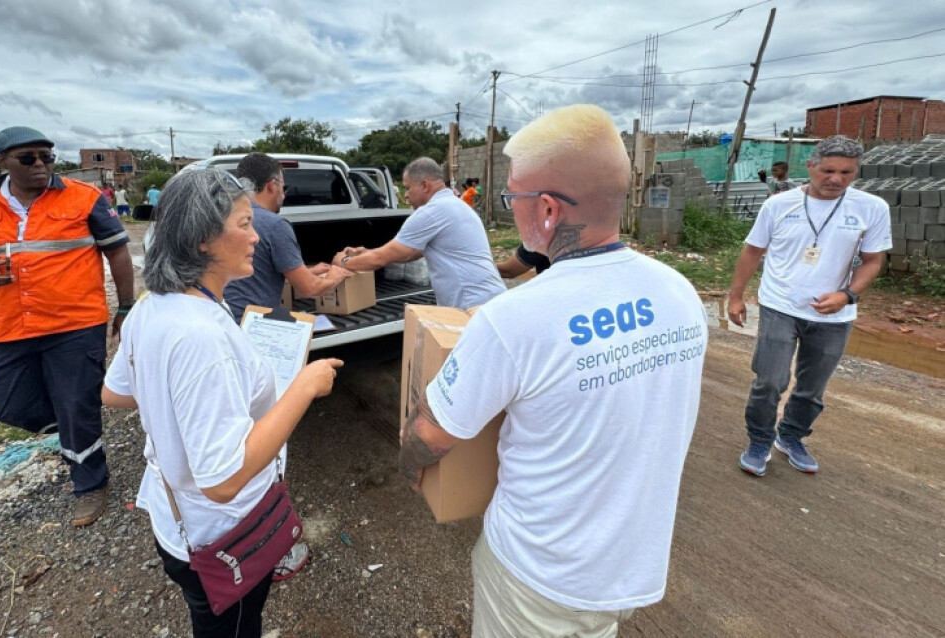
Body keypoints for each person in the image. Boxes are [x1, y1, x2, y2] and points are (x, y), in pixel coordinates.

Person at [399, 104, 708, 637]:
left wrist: (409, 465)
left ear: (545, 209)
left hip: (538, 576)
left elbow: (433, 433)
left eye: (511, 198)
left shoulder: (513, 319)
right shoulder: (679, 293)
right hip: (629, 569)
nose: (509, 209)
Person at [101, 167, 342, 637]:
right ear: (201, 240)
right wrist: (305, 386)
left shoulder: (153, 305)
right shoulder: (200, 337)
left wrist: (184, 402)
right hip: (221, 532)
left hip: (175, 521)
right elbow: (225, 480)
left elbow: (115, 393)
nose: (255, 236)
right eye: (244, 223)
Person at [0, 126, 135, 527]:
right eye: (28, 159)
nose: (41, 165)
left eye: (47, 157)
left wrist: (127, 307)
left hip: (75, 323)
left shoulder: (83, 198)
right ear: (2, 162)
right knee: (4, 398)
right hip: (9, 325)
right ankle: (67, 432)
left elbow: (118, 253)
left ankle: (89, 483)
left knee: (78, 404)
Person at [730, 136, 891, 476]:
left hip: (834, 314)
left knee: (812, 388)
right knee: (770, 381)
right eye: (828, 170)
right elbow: (752, 251)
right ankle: (759, 440)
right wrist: (736, 296)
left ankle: (790, 437)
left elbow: (874, 260)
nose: (836, 179)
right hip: (780, 304)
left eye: (847, 172)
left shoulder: (871, 208)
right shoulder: (778, 205)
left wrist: (848, 295)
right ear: (811, 166)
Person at [334, 157, 505, 310]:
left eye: (408, 188)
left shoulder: (430, 212)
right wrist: (368, 253)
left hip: (472, 305)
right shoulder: (455, 205)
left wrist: (343, 263)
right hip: (490, 300)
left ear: (424, 185)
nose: (406, 195)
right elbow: (410, 253)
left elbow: (382, 258)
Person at [224, 153, 353, 322]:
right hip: (252, 325)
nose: (283, 195)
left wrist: (305, 272)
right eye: (283, 187)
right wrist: (334, 276)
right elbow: (310, 288)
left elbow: (255, 272)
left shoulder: (223, 217)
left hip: (223, 319)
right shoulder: (275, 225)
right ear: (272, 185)